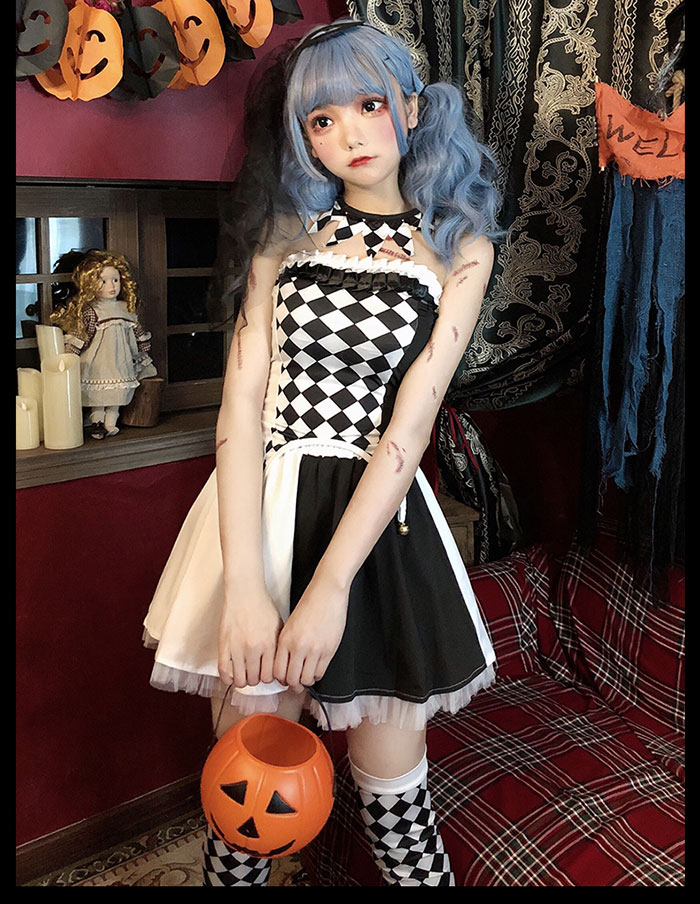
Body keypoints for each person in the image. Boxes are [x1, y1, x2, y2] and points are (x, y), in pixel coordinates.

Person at [143, 18, 502, 887]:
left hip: (378, 535)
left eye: (369, 105)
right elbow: (240, 405)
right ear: (304, 137)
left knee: (396, 808)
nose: (350, 134)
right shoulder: (284, 234)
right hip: (262, 515)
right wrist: (244, 585)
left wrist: (332, 588)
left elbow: (409, 430)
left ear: (411, 108)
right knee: (248, 795)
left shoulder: (460, 249)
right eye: (322, 119)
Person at [51, 250, 157, 439]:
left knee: (117, 393)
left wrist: (142, 347)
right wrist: (71, 353)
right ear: (91, 284)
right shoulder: (92, 311)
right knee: (97, 395)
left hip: (119, 360)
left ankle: (111, 422)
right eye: (104, 281)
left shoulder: (125, 309)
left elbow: (136, 330)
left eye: (115, 280)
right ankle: (97, 422)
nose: (112, 286)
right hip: (98, 360)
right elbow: (82, 334)